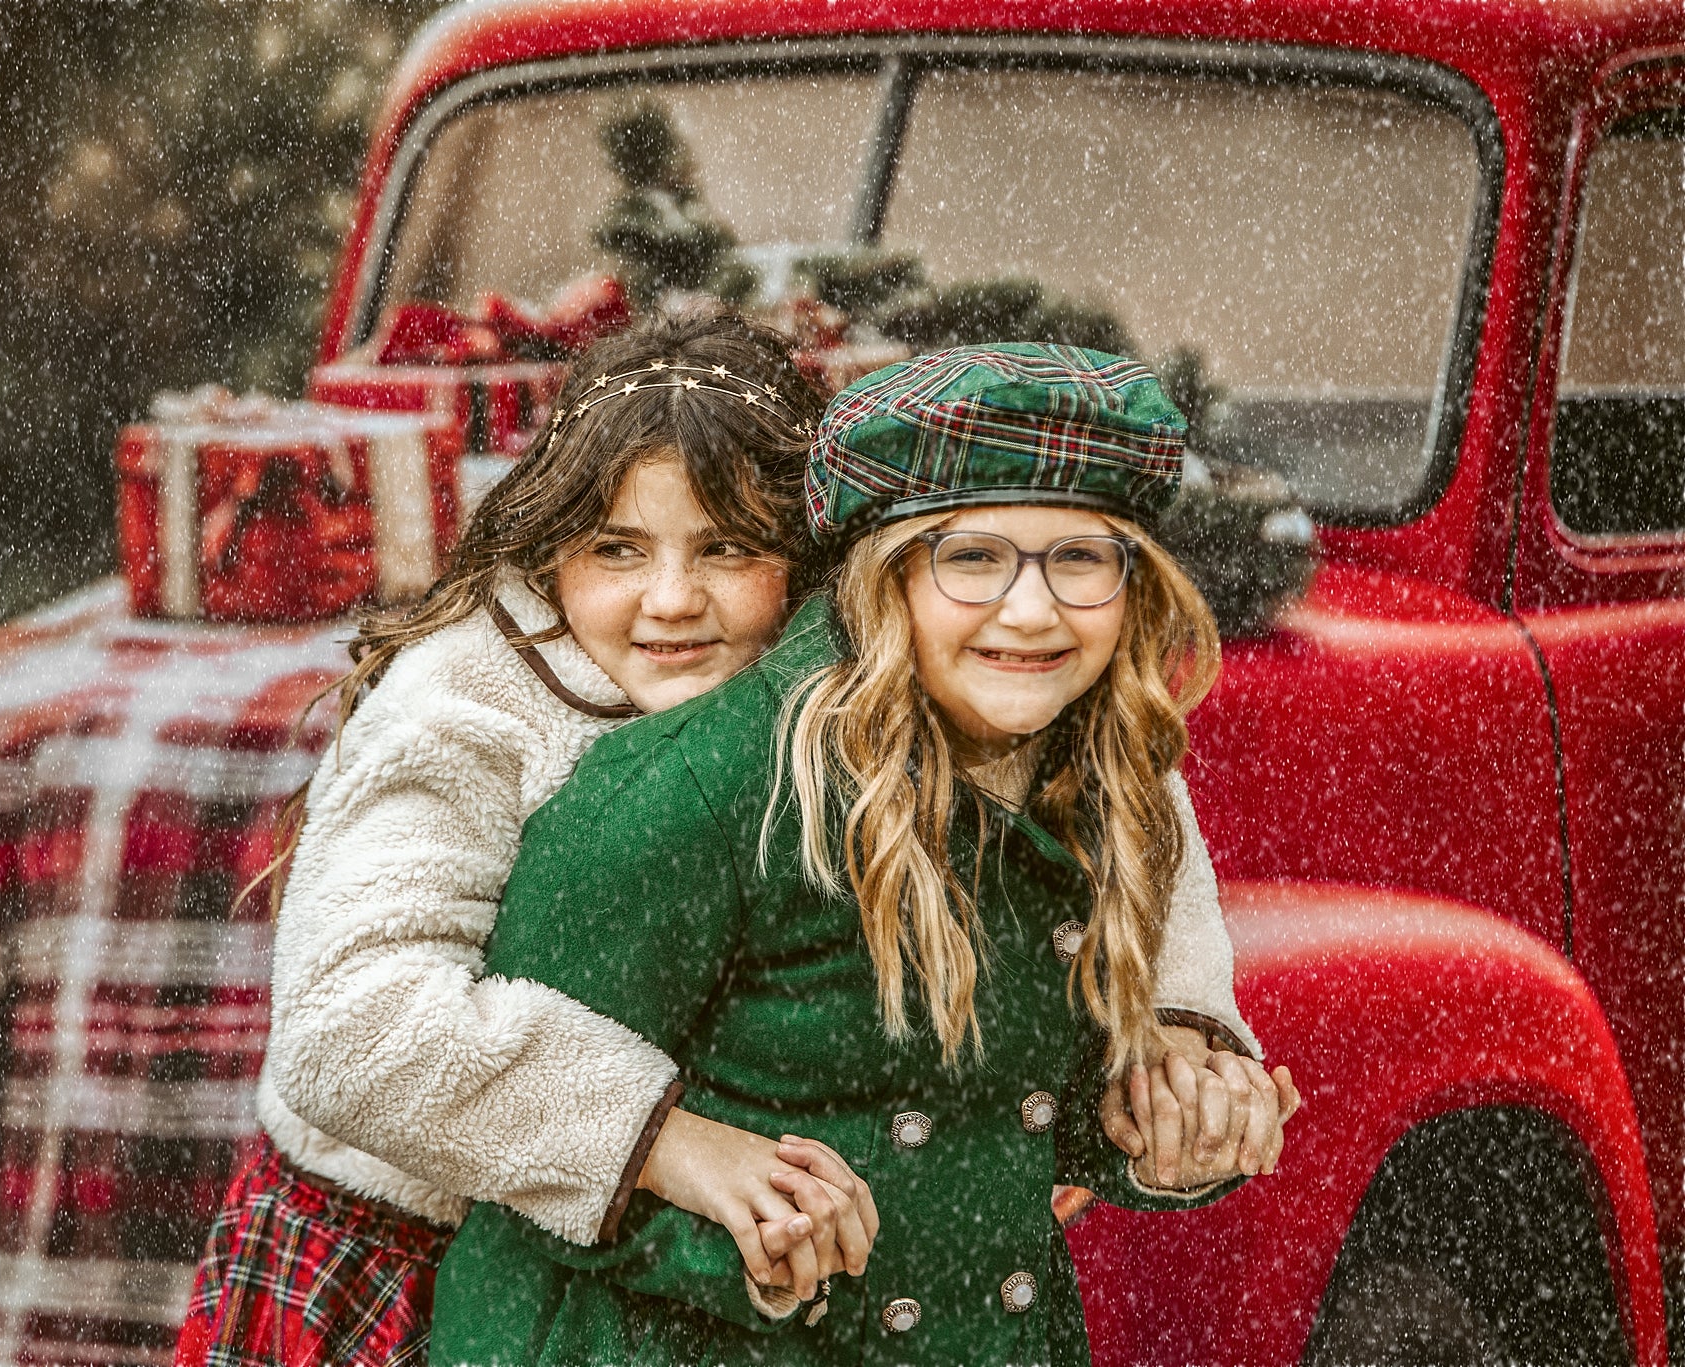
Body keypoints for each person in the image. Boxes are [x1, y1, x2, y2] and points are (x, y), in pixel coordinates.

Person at [429, 343, 1301, 1366]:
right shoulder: (702, 788)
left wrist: (1161, 1117)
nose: (1031, 610)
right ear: (884, 577)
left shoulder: (1098, 781)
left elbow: (998, 1110)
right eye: (970, 558)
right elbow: (498, 1129)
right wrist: (740, 1241)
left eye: (1078, 559)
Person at [176, 312, 882, 1367]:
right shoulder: (465, 702)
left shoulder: (817, 681)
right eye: (618, 549)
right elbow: (350, 1029)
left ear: (802, 556)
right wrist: (663, 1138)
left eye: (727, 548)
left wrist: (1148, 1031)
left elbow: (1093, 781)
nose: (673, 599)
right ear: (551, 544)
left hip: (616, 1265)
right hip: (396, 1255)